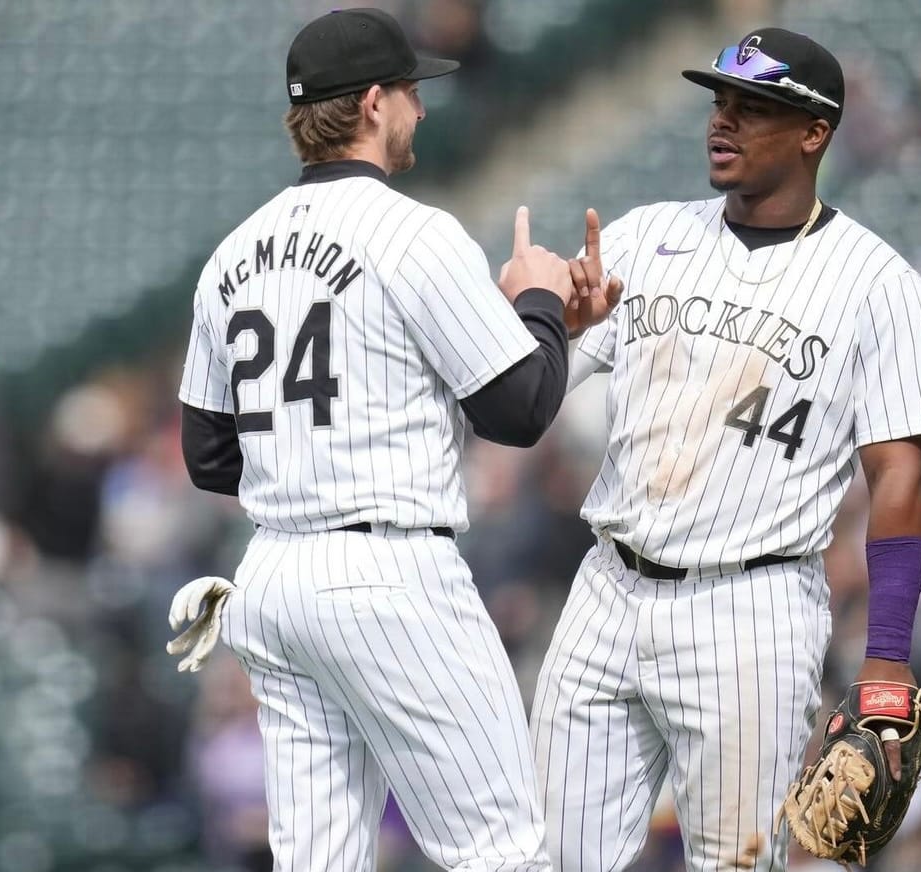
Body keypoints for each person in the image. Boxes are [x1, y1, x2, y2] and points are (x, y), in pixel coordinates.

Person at [531, 26, 921, 872]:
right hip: (606, 589)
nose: (721, 122)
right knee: (546, 858)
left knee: (737, 864)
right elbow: (529, 397)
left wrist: (885, 663)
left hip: (749, 609)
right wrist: (549, 325)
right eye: (719, 102)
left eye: (753, 107)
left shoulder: (877, 284)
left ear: (815, 133)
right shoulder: (645, 235)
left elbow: (897, 479)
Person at [172, 7, 593, 870]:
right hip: (389, 573)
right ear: (370, 103)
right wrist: (539, 304)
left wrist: (308, 458)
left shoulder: (230, 252)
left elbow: (207, 455)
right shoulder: (415, 232)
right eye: (409, 92)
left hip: (274, 582)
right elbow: (517, 414)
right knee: (501, 850)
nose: (421, 110)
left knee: (318, 860)